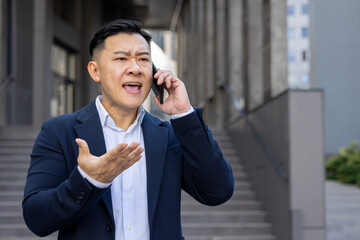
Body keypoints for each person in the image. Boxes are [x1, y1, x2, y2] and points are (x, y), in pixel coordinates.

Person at [22, 19, 234, 240]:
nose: (135, 68)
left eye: (143, 59)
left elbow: (217, 191)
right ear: (96, 71)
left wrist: (184, 113)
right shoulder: (60, 132)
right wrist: (89, 179)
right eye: (122, 58)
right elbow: (37, 218)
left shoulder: (169, 137)